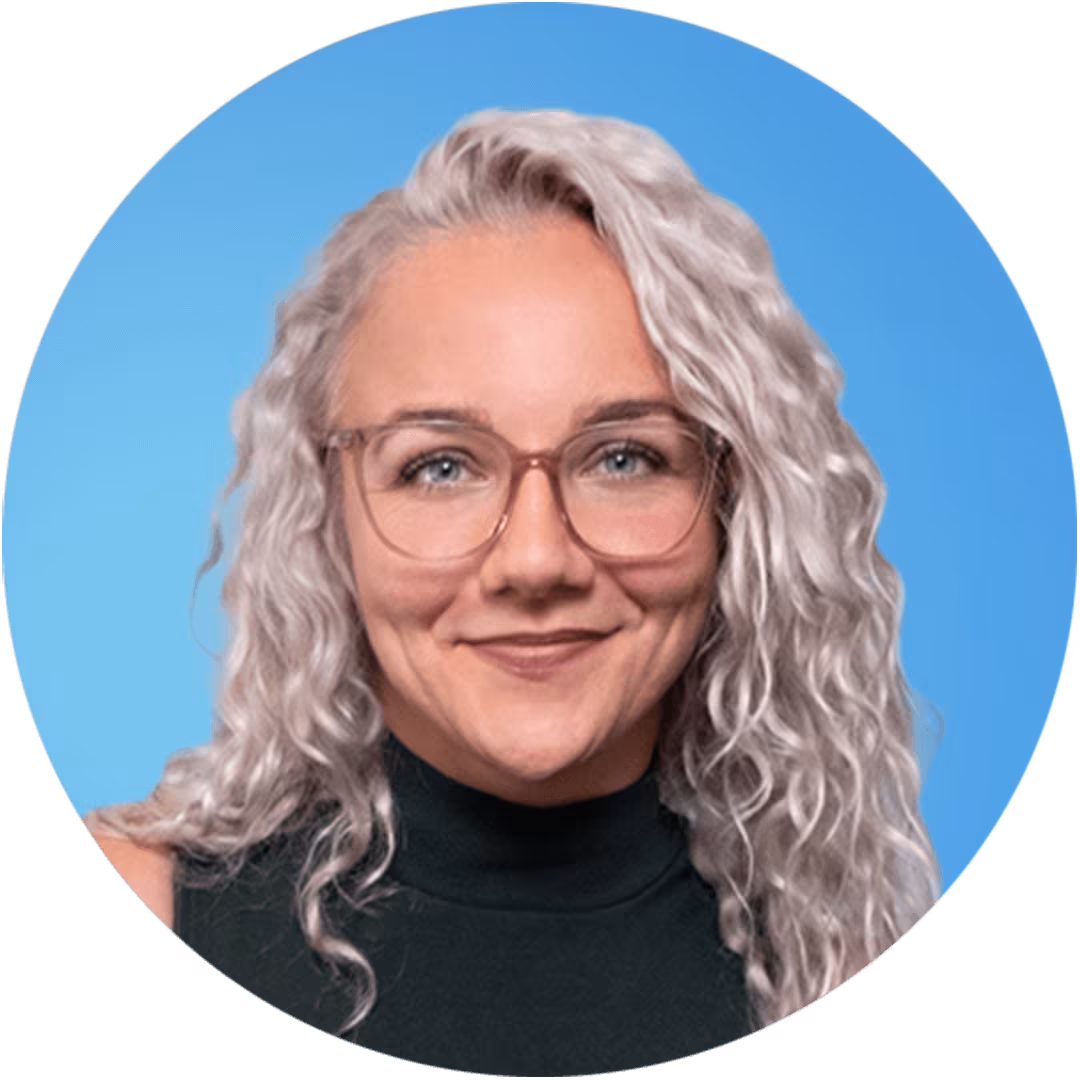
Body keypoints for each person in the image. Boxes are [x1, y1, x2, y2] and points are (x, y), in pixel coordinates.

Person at [83, 107, 942, 1071]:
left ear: (732, 505)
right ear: (327, 512)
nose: (536, 562)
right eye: (441, 466)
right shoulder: (143, 896)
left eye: (624, 458)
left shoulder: (845, 955)